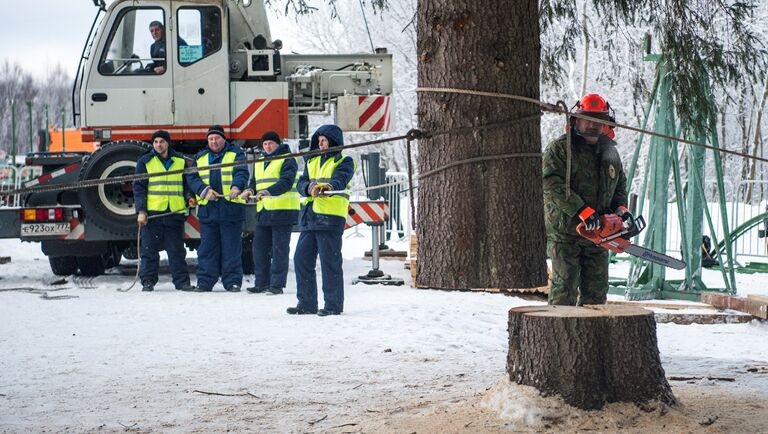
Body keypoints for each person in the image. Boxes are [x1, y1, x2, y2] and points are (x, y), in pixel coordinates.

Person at [542, 93, 629, 306]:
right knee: (565, 287)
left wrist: (620, 208)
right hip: (566, 232)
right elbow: (550, 183)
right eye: (588, 119)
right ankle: (560, 334)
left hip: (599, 234)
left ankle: (593, 336)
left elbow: (619, 184)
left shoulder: (610, 153)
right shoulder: (560, 149)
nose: (592, 125)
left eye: (598, 121)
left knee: (597, 290)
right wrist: (580, 209)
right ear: (576, 120)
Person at [288, 125, 355, 316]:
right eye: (318, 140)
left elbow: (340, 180)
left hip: (331, 218)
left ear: (333, 141)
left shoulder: (345, 161)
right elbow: (301, 183)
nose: (320, 143)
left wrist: (327, 186)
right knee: (301, 259)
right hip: (310, 217)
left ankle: (333, 305)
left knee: (329, 263)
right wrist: (308, 187)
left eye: (323, 140)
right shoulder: (312, 161)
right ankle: (306, 303)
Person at [187, 125, 249, 292]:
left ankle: (232, 282)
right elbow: (192, 177)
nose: (214, 142)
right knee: (207, 249)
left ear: (224, 139)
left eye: (217, 138)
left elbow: (242, 172)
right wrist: (204, 190)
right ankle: (205, 282)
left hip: (231, 209)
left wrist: (236, 187)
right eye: (211, 139)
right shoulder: (199, 157)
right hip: (209, 211)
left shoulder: (236, 154)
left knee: (232, 248)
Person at [132, 130, 195, 292]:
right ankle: (148, 281)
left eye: (162, 141)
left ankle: (182, 282)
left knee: (177, 251)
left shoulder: (179, 160)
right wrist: (141, 211)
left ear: (168, 143)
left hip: (174, 213)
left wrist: (189, 197)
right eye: (156, 142)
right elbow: (139, 188)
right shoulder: (145, 161)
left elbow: (186, 184)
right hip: (153, 215)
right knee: (149, 251)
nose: (159, 145)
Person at [240, 131, 299, 295]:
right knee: (259, 249)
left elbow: (286, 182)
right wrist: (249, 190)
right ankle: (261, 283)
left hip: (283, 211)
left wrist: (268, 191)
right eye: (265, 144)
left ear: (278, 144)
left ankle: (277, 284)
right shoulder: (260, 161)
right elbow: (254, 182)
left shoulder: (287, 160)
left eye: (271, 143)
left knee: (279, 250)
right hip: (264, 211)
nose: (267, 147)